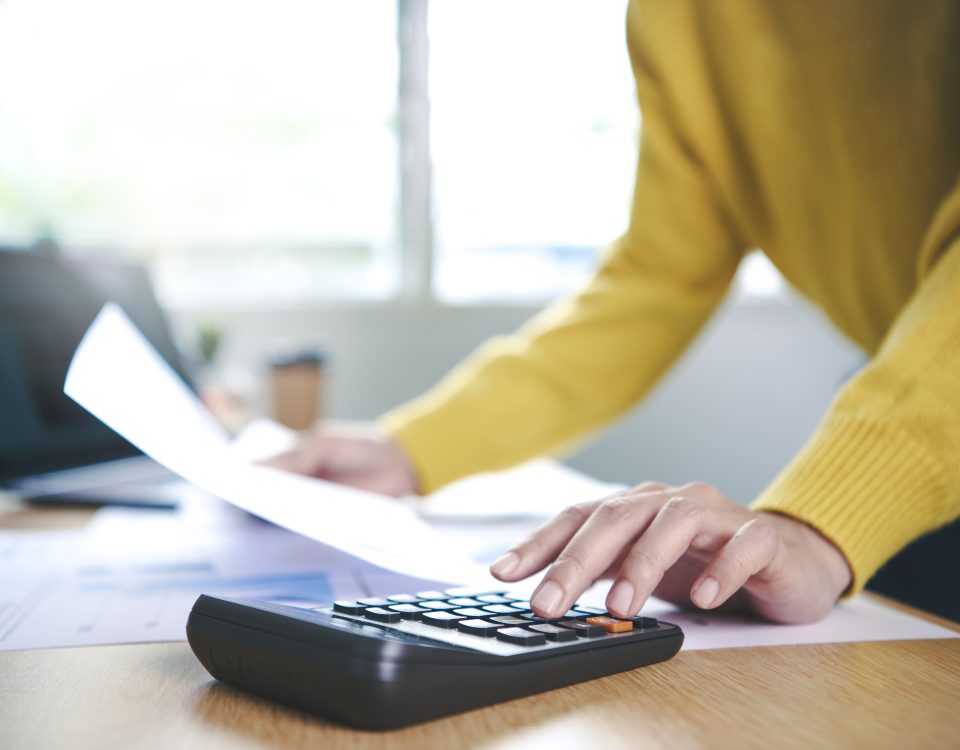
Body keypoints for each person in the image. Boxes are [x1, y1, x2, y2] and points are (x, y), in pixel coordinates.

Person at [269, 1, 960, 624]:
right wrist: (414, 447)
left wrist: (820, 519)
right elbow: (658, 277)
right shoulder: (681, 16)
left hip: (919, 419)